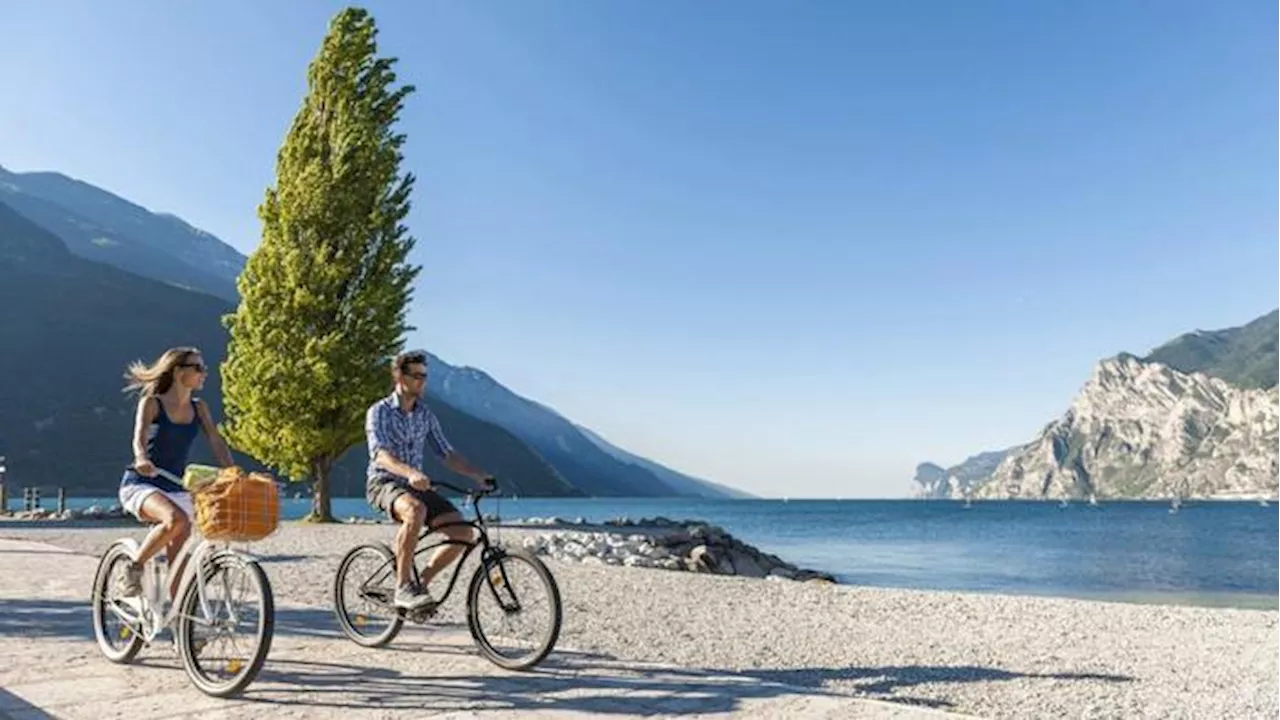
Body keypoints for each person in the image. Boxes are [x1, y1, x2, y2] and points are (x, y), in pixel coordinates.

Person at [365, 349, 496, 610]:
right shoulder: (379, 412)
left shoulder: (425, 414)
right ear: (399, 377)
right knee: (415, 510)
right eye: (416, 376)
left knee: (464, 533)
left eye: (425, 376)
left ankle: (419, 586)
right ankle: (403, 587)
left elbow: (446, 454)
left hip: (417, 485)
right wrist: (411, 473)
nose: (422, 382)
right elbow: (380, 455)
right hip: (384, 483)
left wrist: (478, 474)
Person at [116, 346, 234, 600]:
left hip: (176, 486)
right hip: (142, 483)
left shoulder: (199, 407)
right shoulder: (152, 403)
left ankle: (180, 621)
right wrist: (141, 458)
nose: (204, 373)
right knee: (176, 519)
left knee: (179, 558)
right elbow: (139, 438)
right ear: (179, 371)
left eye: (204, 368)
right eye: (198, 368)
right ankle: (134, 566)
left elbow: (216, 440)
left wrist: (231, 470)